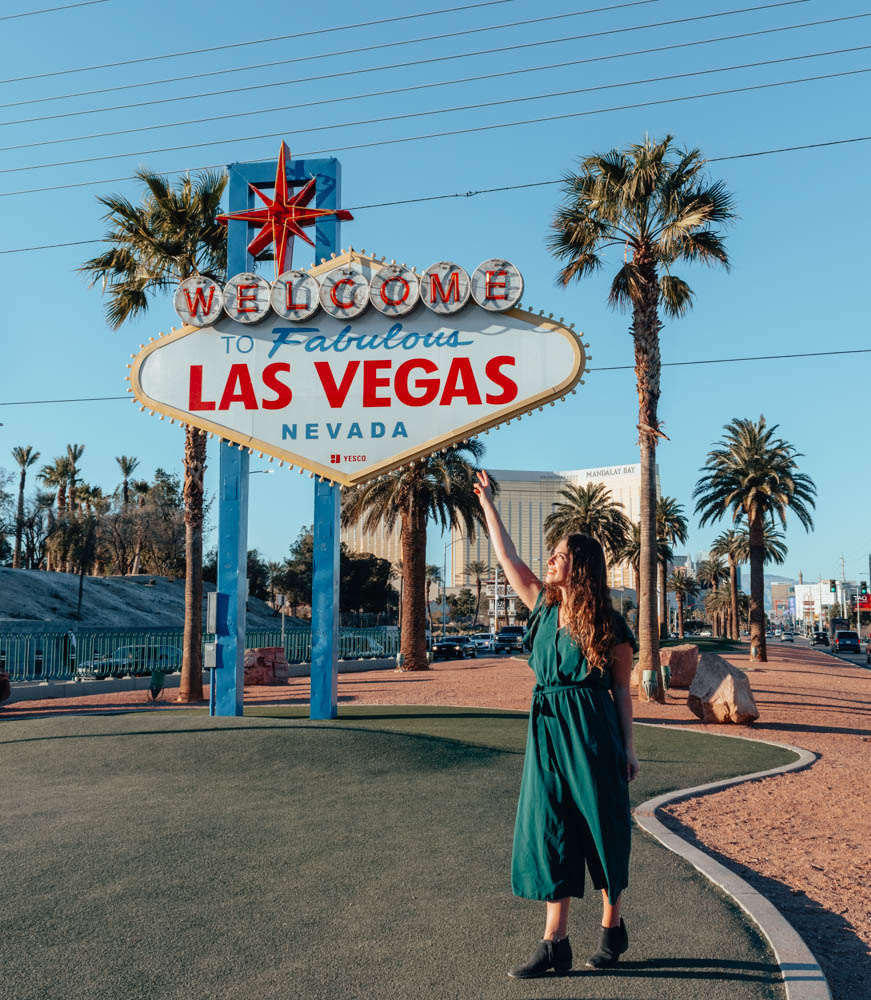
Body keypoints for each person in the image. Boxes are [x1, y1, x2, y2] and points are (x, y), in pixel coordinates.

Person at [473, 470, 639, 979]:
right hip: (546, 731)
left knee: (602, 829)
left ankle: (612, 928)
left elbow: (622, 693)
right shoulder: (543, 608)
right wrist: (488, 505)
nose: (550, 560)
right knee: (552, 830)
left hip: (592, 733)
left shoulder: (609, 625)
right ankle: (555, 943)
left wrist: (629, 749)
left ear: (580, 566)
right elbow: (508, 560)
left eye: (560, 554)